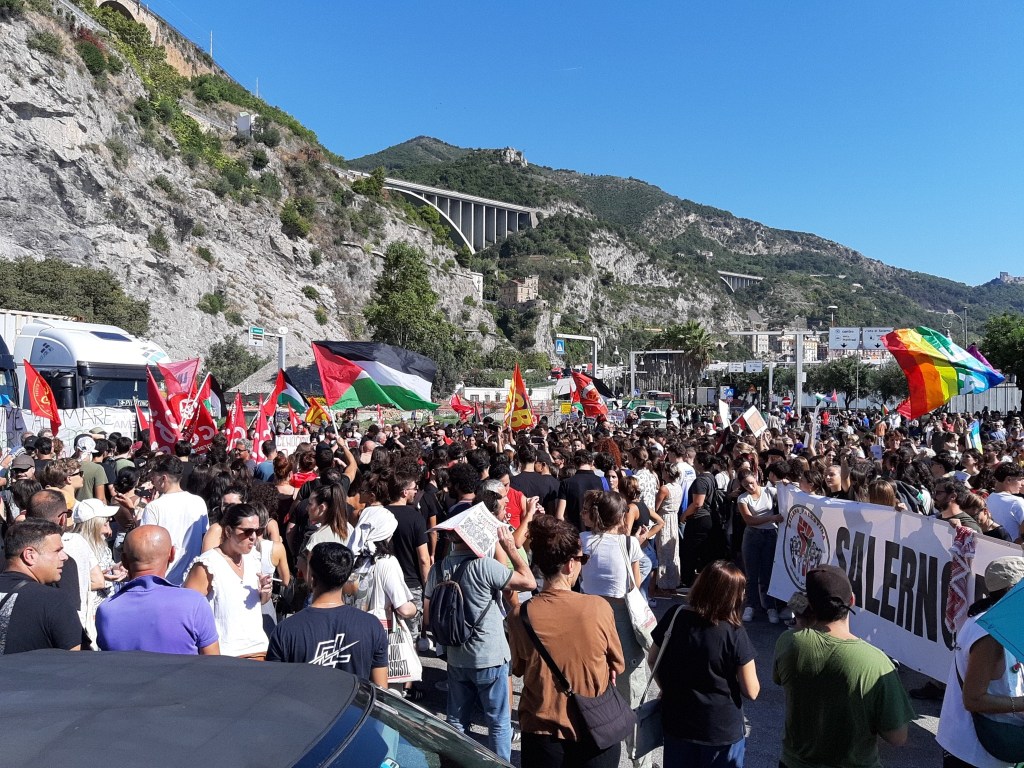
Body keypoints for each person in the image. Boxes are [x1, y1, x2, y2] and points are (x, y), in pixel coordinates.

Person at [507, 514, 626, 768]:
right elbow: (617, 663)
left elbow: (517, 668)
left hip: (541, 729)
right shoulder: (598, 607)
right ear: (570, 565)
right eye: (582, 559)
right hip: (594, 727)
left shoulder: (520, 614)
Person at [773, 564, 914, 768]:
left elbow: (780, 677)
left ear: (809, 604)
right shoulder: (877, 662)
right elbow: (897, 737)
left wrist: (804, 624)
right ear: (852, 601)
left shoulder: (788, 642)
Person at [424, 522, 536, 762]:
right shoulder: (485, 566)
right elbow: (529, 582)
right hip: (490, 655)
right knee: (498, 722)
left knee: (456, 719)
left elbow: (427, 614)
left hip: (456, 655)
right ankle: (500, 764)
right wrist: (510, 549)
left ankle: (454, 763)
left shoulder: (438, 568)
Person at [648, 561, 759, 768]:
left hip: (677, 721)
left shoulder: (676, 615)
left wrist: (667, 688)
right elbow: (752, 690)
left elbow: (653, 658)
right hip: (720, 729)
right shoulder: (734, 632)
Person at [578, 491, 650, 768]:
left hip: (590, 617)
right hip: (621, 619)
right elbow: (635, 583)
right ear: (620, 517)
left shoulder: (583, 542)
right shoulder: (628, 543)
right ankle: (638, 759)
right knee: (631, 690)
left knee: (593, 687)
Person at [937, 553, 1024, 768]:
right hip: (975, 753)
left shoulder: (999, 622)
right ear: (1011, 591)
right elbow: (973, 700)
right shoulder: (988, 634)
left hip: (986, 748)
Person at [267, 542, 388, 685]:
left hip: (304, 707)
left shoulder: (286, 631)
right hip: (355, 706)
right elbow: (381, 691)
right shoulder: (372, 625)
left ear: (312, 578)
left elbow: (274, 689)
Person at [96, 525, 219, 655]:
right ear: (172, 554)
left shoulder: (106, 610)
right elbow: (214, 664)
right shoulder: (194, 603)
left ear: (124, 561)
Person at [184, 504, 272, 659]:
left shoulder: (253, 558)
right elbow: (187, 612)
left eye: (258, 531)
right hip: (227, 657)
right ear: (228, 531)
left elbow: (257, 603)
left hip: (259, 651)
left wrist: (265, 593)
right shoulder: (208, 565)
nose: (253, 537)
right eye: (247, 531)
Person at [0, 519, 82, 653]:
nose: (65, 557)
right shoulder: (56, 601)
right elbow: (74, 664)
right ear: (30, 555)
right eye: (57, 550)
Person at [140, 455, 209, 585]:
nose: (152, 481)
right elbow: (204, 539)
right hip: (193, 580)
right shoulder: (198, 502)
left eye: (153, 476)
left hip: (163, 581)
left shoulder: (153, 507)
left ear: (163, 478)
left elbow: (146, 546)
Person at [736, 470, 783, 624]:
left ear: (756, 478)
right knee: (751, 573)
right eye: (746, 485)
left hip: (770, 535)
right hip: (752, 536)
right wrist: (771, 518)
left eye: (751, 482)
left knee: (767, 573)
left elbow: (787, 494)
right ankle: (750, 605)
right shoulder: (743, 498)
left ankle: (770, 607)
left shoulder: (769, 491)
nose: (750, 486)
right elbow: (749, 520)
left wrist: (786, 483)